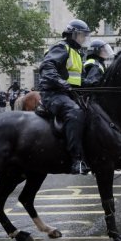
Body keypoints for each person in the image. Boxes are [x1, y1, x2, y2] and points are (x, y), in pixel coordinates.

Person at [38, 19, 91, 175]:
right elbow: (47, 67)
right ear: (72, 34)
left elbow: (76, 78)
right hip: (53, 93)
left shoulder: (76, 52)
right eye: (82, 35)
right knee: (75, 113)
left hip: (69, 93)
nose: (83, 38)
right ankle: (76, 160)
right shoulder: (61, 47)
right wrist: (61, 82)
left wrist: (91, 84)